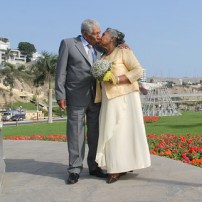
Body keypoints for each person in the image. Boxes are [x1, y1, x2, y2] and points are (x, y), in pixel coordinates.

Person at [94, 28, 151, 184]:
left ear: (112, 38)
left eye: (104, 34)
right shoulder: (103, 56)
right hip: (108, 99)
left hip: (125, 97)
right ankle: (117, 165)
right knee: (110, 132)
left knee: (121, 133)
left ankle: (116, 169)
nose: (101, 36)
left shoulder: (123, 52)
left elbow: (138, 70)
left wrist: (117, 79)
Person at [55, 19, 107, 184]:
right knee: (75, 135)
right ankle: (74, 170)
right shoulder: (69, 44)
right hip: (75, 97)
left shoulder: (100, 48)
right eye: (96, 33)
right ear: (85, 34)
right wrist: (60, 95)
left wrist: (123, 44)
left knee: (95, 134)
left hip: (96, 97)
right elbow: (60, 71)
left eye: (100, 33)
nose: (99, 36)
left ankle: (94, 166)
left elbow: (115, 46)